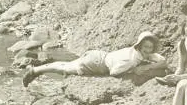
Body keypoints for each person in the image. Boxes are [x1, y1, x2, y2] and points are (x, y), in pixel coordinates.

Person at [22, 31, 167, 87]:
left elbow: (163, 61)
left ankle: (35, 70)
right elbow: (114, 72)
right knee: (64, 68)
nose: (148, 50)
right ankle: (34, 71)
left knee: (64, 65)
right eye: (145, 47)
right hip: (97, 62)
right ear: (139, 46)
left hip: (99, 55)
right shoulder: (132, 59)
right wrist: (135, 69)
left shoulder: (143, 54)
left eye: (150, 47)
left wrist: (148, 67)